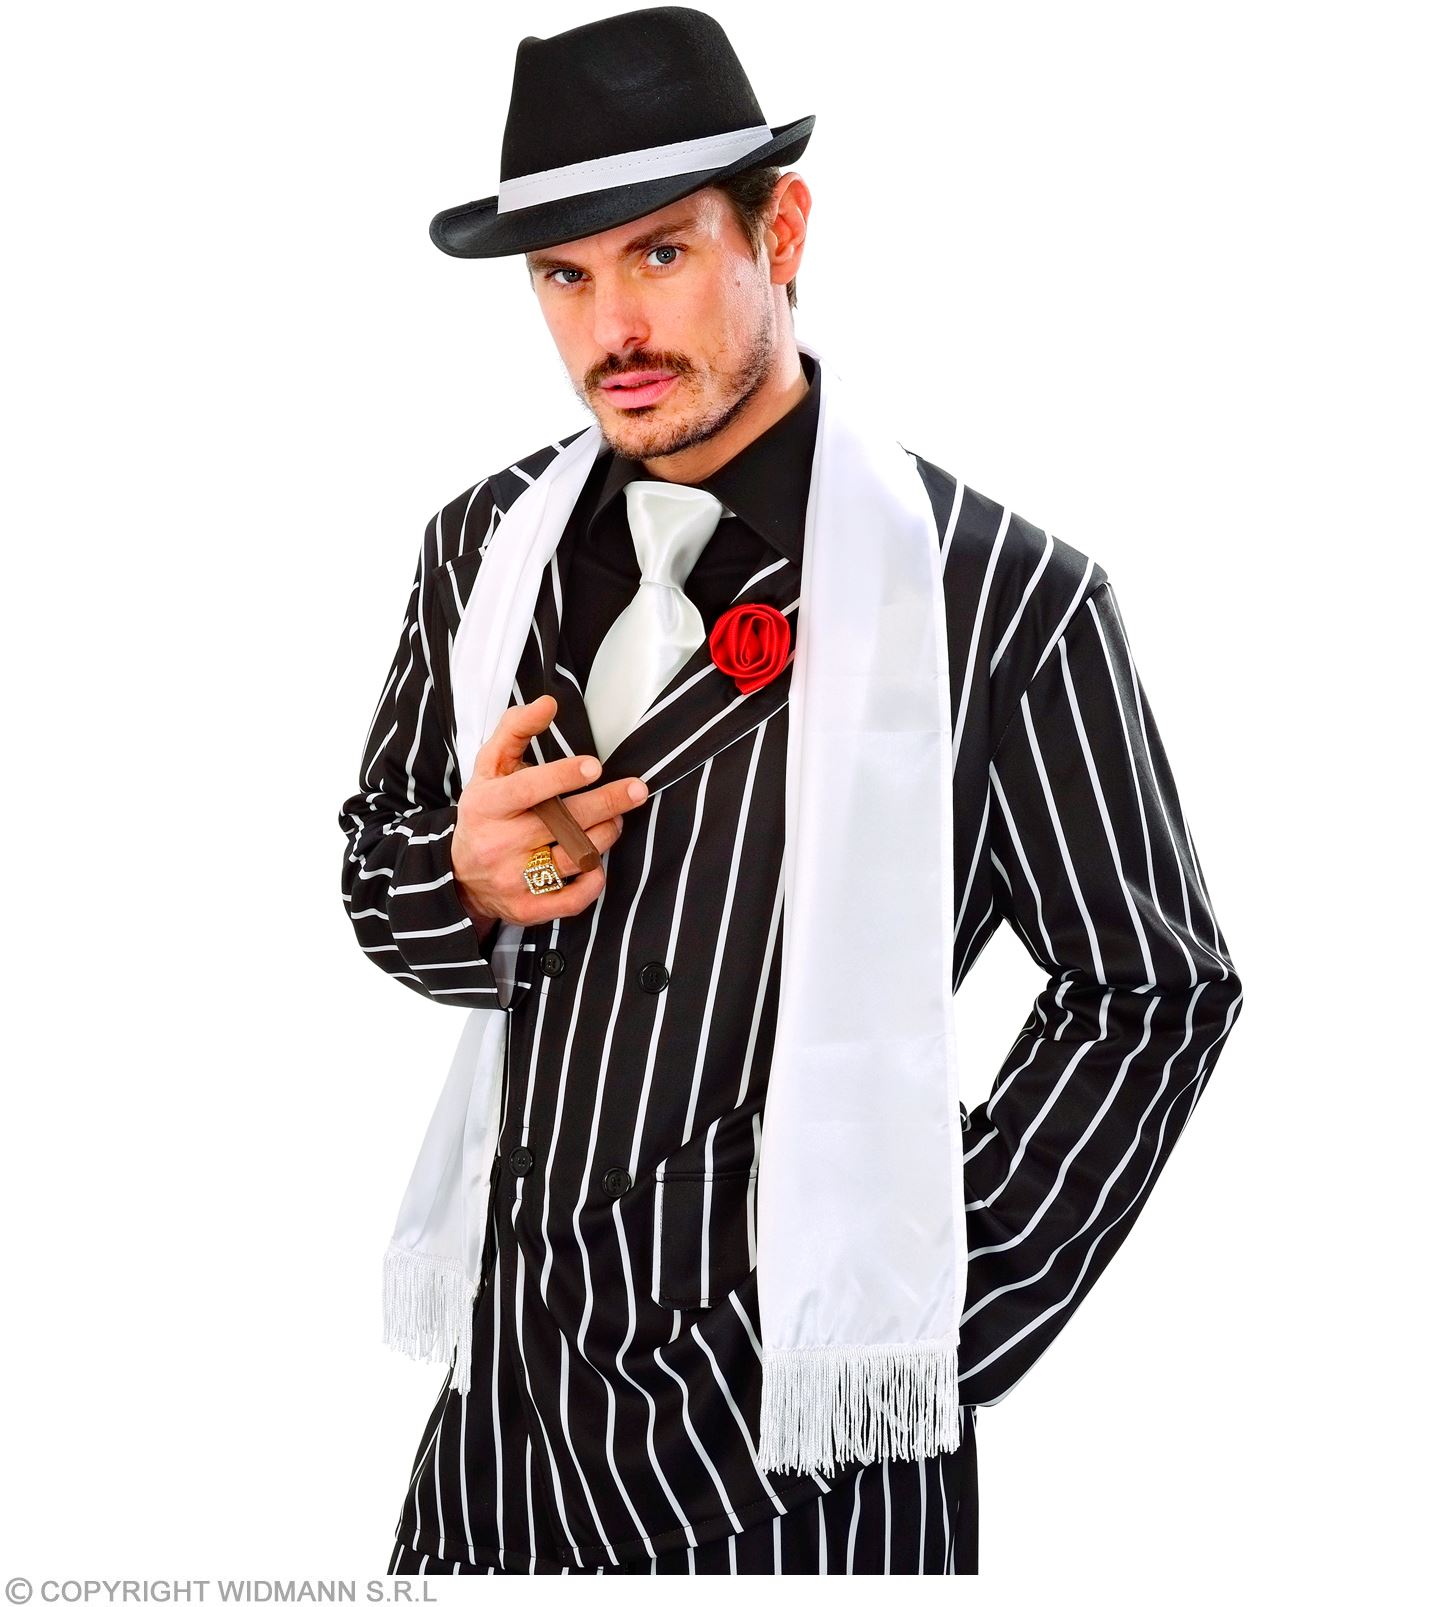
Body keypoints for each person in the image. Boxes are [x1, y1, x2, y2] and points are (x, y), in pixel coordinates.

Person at [336, 4, 1245, 1577]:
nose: (614, 324)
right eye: (563, 276)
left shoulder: (995, 598)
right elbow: (383, 866)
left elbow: (1150, 990)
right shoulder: (480, 550)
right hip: (499, 1440)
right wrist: (466, 885)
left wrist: (925, 1311)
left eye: (660, 251)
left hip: (802, 1468)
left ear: (782, 232)